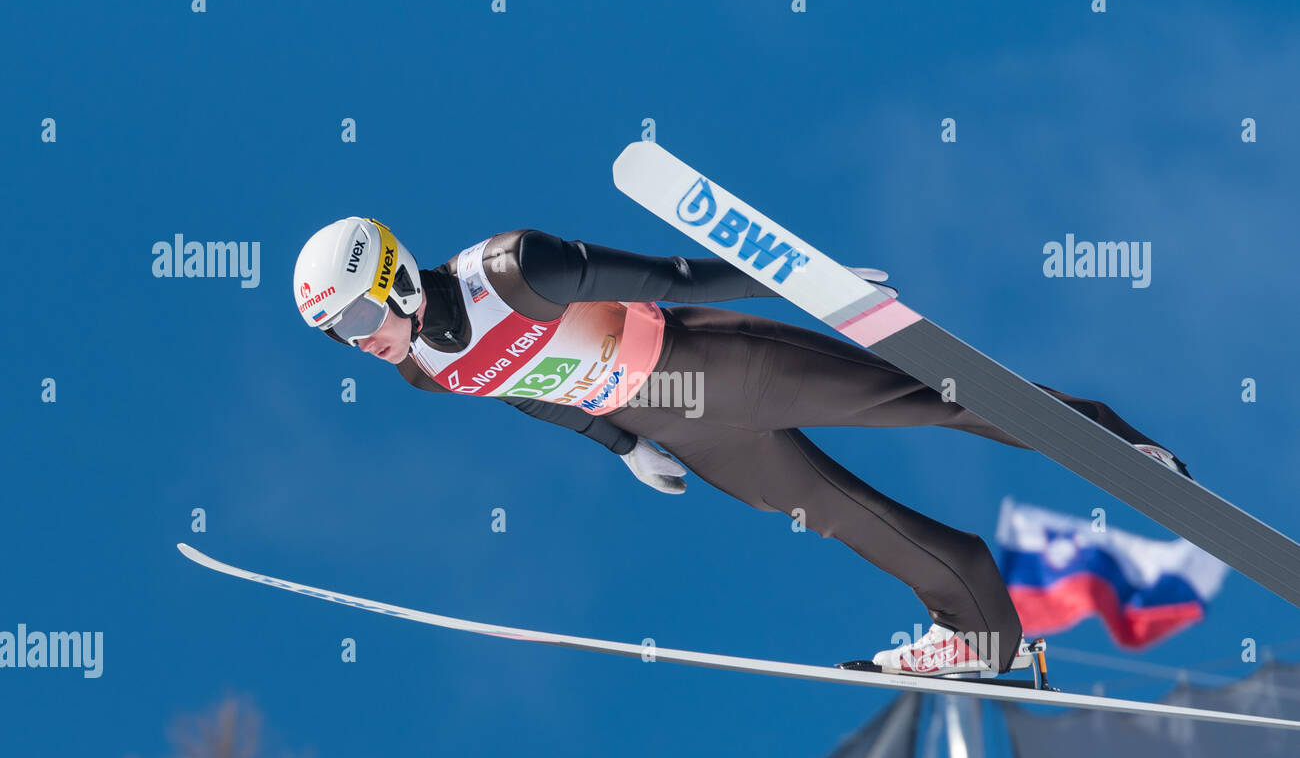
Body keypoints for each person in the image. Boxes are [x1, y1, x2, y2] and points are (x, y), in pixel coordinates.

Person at [293, 217, 1191, 676]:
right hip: (684, 429)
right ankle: (981, 632)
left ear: (396, 275)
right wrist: (619, 444)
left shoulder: (513, 271)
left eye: (363, 314)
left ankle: (1112, 445)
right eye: (341, 336)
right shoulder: (422, 368)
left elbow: (662, 275)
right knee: (847, 516)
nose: (363, 340)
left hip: (715, 362)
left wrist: (799, 283)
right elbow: (527, 392)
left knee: (922, 399)